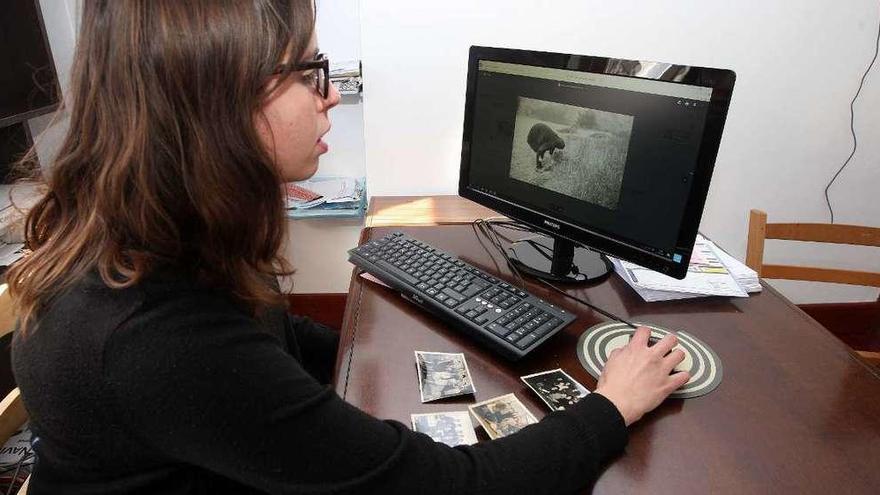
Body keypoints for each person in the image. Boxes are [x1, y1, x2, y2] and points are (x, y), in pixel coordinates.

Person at [9, 1, 690, 494]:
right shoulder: (159, 341)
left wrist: (395, 326)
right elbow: (454, 485)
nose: (329, 94)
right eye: (308, 72)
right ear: (219, 102)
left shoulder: (156, 235)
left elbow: (261, 333)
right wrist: (612, 406)